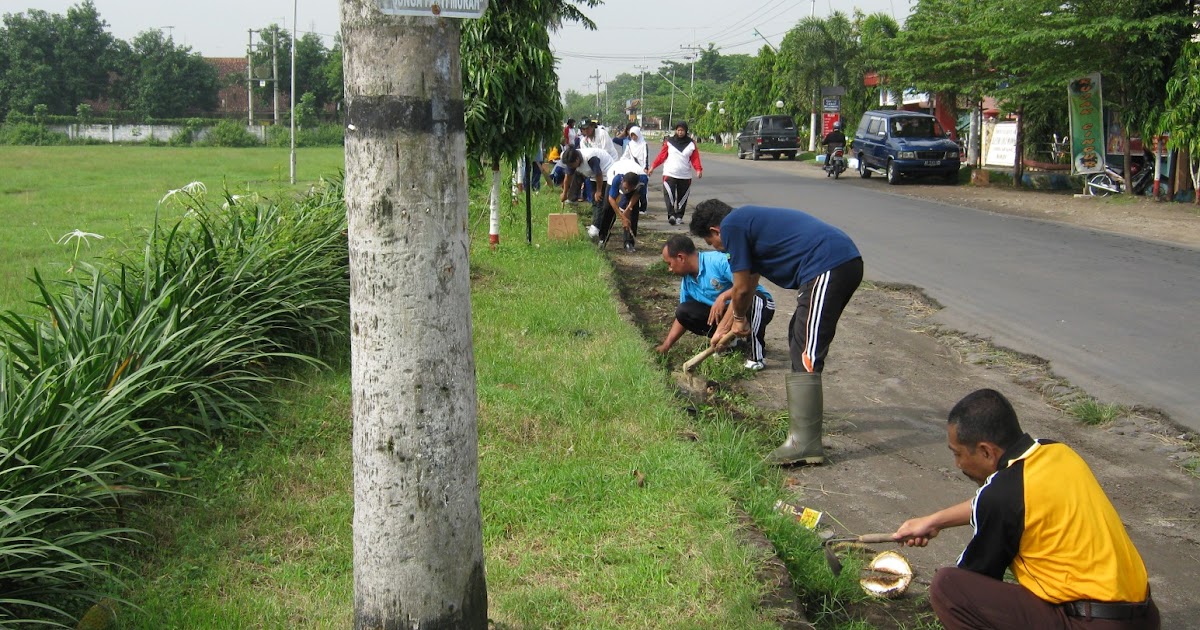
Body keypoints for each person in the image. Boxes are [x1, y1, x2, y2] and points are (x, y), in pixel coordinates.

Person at [892, 389, 1159, 630]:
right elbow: (1003, 501)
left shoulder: (1003, 496)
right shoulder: (1057, 453)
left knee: (948, 587)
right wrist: (934, 521)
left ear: (986, 451)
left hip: (1089, 624)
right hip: (1144, 618)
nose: (958, 464)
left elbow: (973, 576)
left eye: (958, 453)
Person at [688, 199, 862, 465]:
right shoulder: (745, 223)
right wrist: (733, 322)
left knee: (806, 347)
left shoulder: (733, 226)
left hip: (829, 264)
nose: (719, 250)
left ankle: (804, 443)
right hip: (832, 264)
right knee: (797, 334)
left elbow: (743, 290)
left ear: (716, 230)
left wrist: (737, 319)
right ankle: (801, 436)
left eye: (713, 244)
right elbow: (748, 283)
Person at [656, 234, 775, 370]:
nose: (669, 269)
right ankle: (731, 343)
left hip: (757, 305)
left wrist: (723, 296)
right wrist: (666, 346)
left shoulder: (717, 261)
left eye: (669, 264)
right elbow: (682, 319)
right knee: (684, 311)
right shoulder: (688, 282)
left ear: (680, 257)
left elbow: (747, 284)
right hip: (728, 317)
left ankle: (756, 357)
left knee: (753, 298)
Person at [648, 121, 703, 226]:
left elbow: (695, 158)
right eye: (678, 130)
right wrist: (652, 167)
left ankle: (679, 216)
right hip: (670, 173)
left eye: (682, 130)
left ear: (686, 131)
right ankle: (671, 215)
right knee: (669, 195)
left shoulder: (691, 144)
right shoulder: (669, 142)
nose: (680, 132)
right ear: (676, 131)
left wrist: (698, 169)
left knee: (682, 197)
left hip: (685, 175)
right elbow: (661, 156)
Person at [560, 145, 615, 246]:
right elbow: (568, 177)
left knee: (599, 200)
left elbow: (599, 174)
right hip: (593, 174)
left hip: (606, 173)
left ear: (577, 159)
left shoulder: (590, 158)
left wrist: (598, 191)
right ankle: (596, 225)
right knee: (595, 200)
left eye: (572, 165)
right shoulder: (570, 159)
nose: (571, 167)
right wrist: (564, 193)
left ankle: (596, 229)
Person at [603, 167, 646, 252]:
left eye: (628, 189)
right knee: (607, 209)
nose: (626, 190)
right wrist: (622, 217)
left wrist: (628, 209)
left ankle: (629, 242)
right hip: (614, 175)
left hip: (636, 180)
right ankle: (603, 237)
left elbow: (637, 195)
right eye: (625, 188)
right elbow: (611, 199)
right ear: (622, 181)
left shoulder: (643, 180)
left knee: (633, 213)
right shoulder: (617, 179)